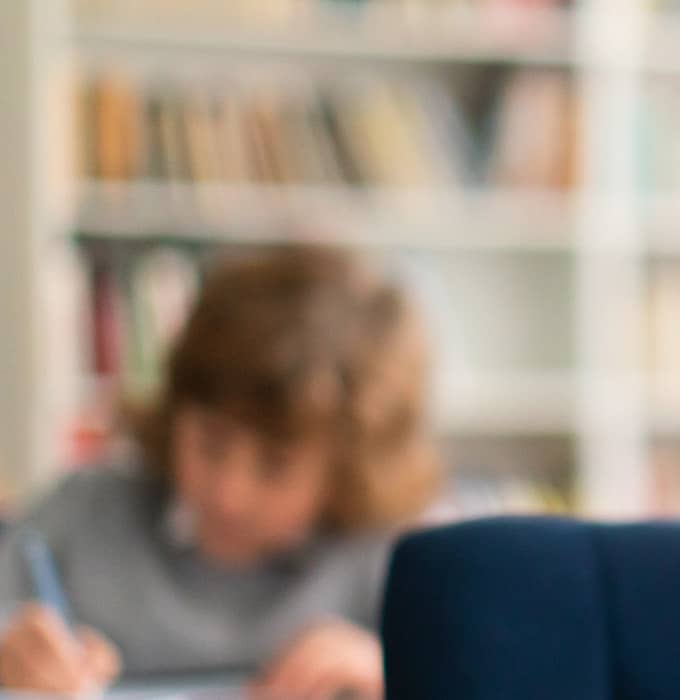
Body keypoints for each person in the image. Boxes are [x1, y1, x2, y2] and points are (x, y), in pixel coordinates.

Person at [0, 244, 440, 698]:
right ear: (175, 413)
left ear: (345, 471)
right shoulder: (85, 512)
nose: (230, 493)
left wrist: (394, 670)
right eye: (211, 443)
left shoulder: (391, 563)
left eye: (275, 465)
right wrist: (8, 654)